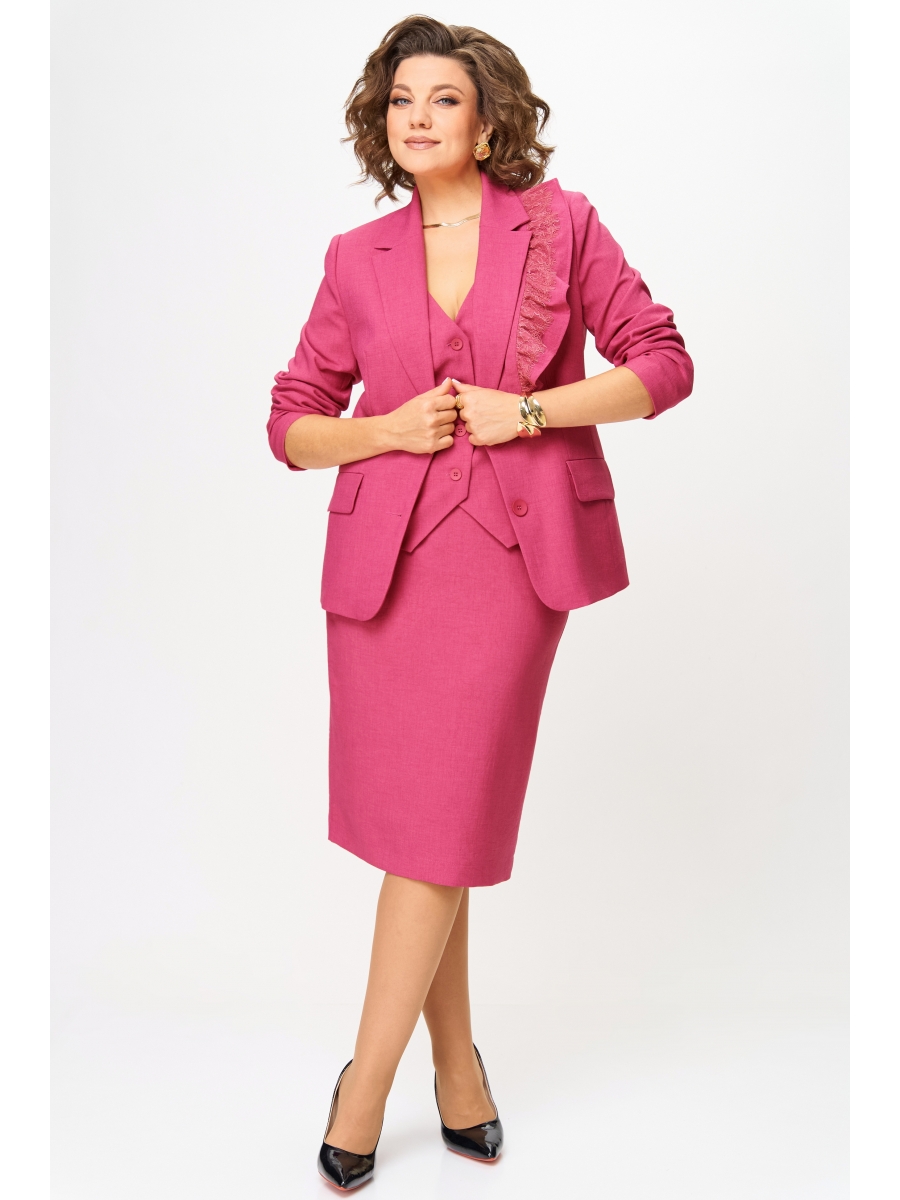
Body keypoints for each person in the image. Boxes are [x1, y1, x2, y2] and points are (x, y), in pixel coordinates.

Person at [267, 15, 693, 1190]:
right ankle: (457, 1069)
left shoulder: (562, 223)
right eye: (400, 99)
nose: (417, 117)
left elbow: (663, 362)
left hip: (507, 567)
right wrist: (385, 429)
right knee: (430, 835)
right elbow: (291, 421)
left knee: (442, 818)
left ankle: (363, 1084)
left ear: (488, 118)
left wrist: (536, 410)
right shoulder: (356, 258)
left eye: (443, 99)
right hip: (384, 574)